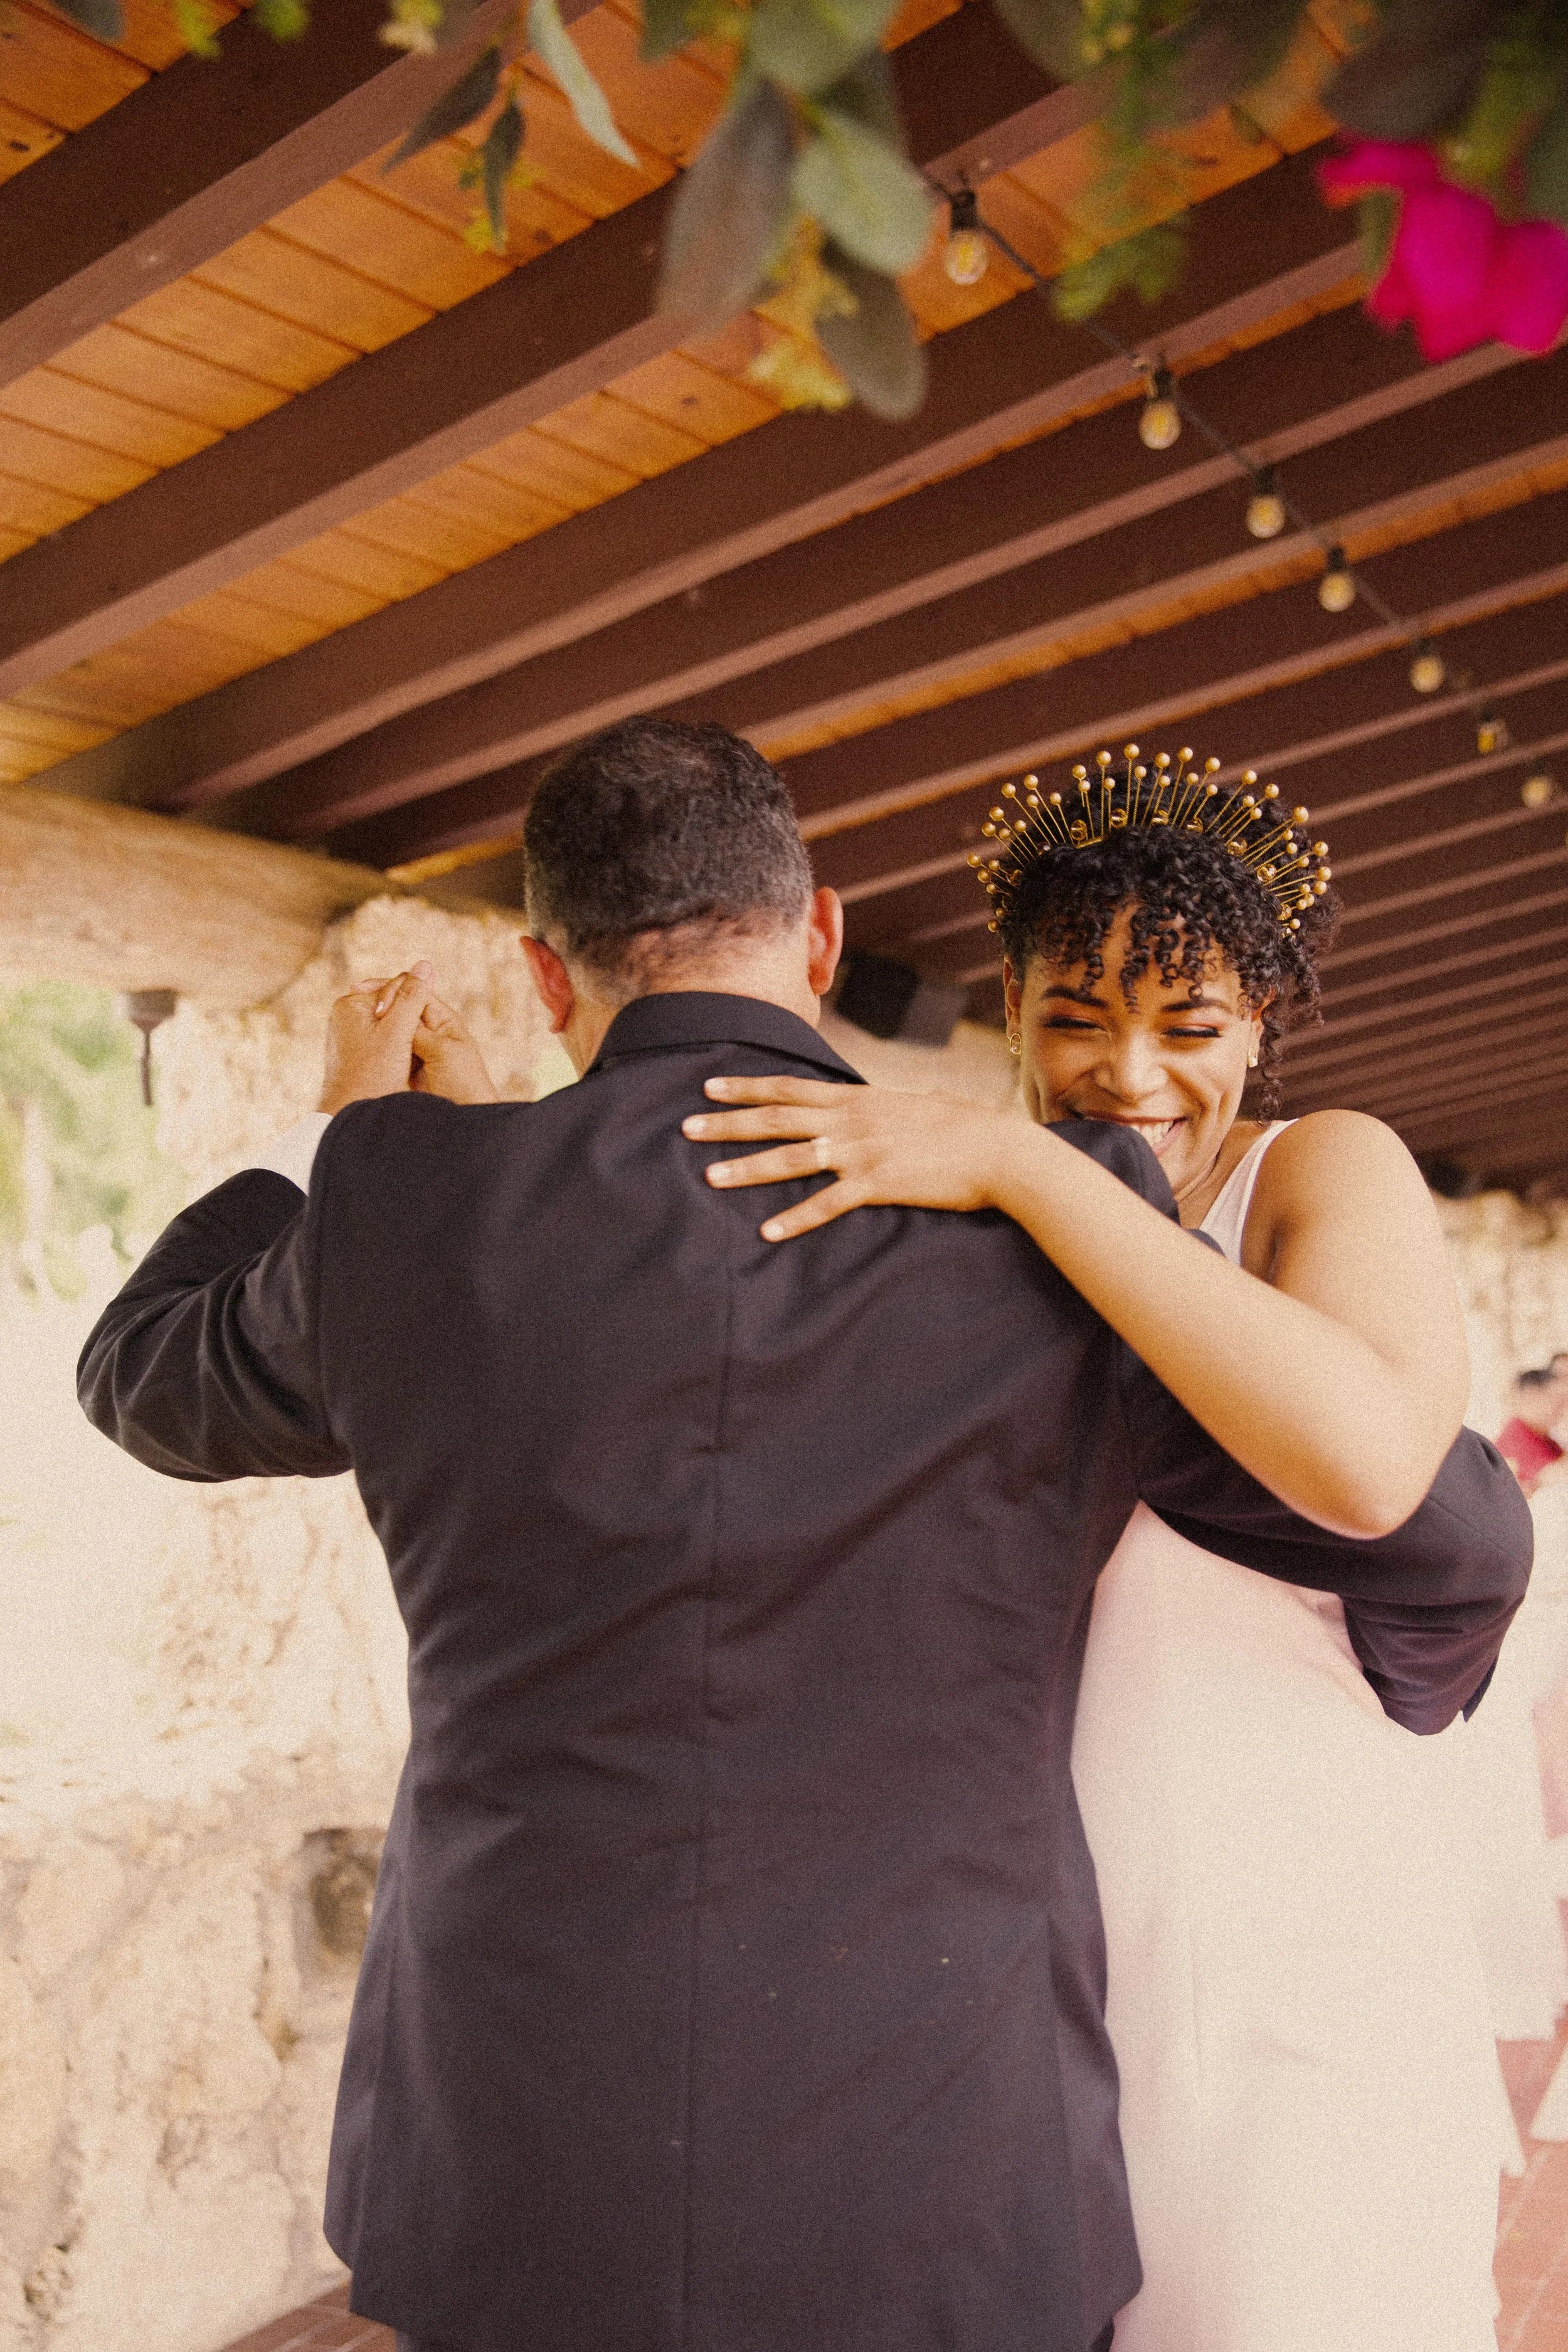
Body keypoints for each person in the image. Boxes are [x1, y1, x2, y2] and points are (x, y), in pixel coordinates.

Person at [76, 720, 1528, 2352]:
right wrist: (1417, 1669)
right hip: (937, 2138)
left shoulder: (407, 1205)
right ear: (823, 933)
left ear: (549, 979)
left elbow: (140, 1372)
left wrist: (342, 1144)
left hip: (514, 2134)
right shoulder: (1050, 1235)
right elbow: (1440, 1530)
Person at [688, 745, 1517, 2351]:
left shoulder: (1318, 1167)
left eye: (1189, 1026)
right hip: (1021, 1923)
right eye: (1075, 1017)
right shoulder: (945, 1213)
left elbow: (1363, 1459)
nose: (1128, 1069)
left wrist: (1016, 1168)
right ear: (1011, 1000)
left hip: (1293, 1905)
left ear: (1263, 1021)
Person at [1497, 1364, 1568, 1495]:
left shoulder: (1546, 1438)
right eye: (1557, 1401)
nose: (1562, 1409)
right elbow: (1541, 1481)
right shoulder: (1514, 1437)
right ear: (1532, 1395)